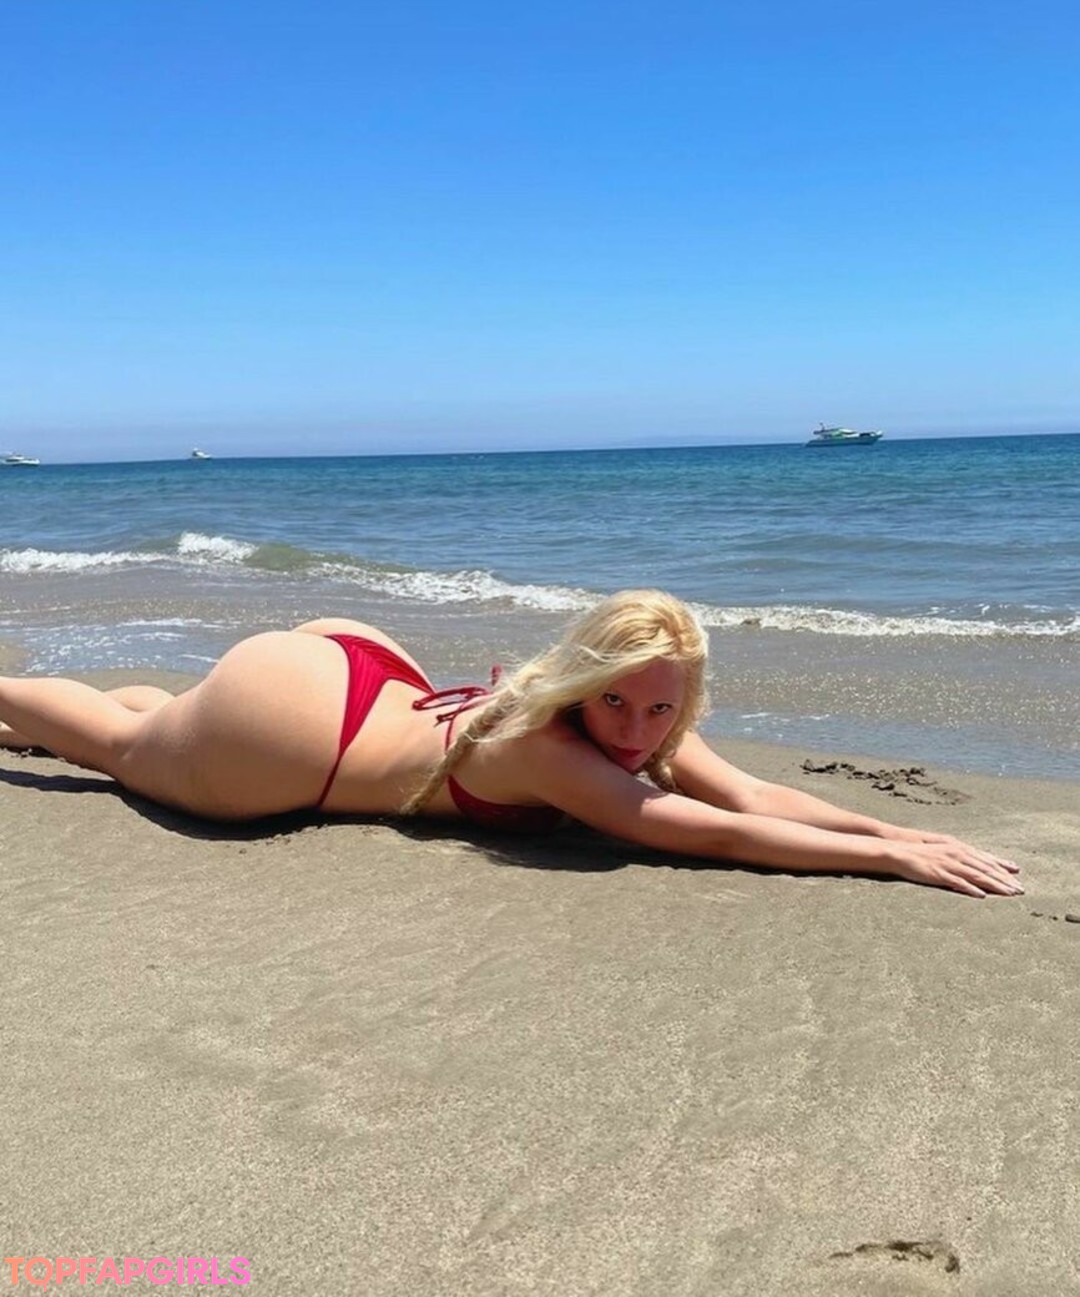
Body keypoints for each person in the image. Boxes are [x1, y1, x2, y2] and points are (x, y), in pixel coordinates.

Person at [0, 589, 1021, 899]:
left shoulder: (638, 718)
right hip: (296, 742)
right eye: (615, 704)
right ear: (582, 682)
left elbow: (749, 797)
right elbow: (707, 834)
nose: (636, 731)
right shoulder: (550, 749)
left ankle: (42, 717)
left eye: (659, 711)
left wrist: (891, 829)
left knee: (144, 721)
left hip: (365, 670)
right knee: (116, 744)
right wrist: (886, 861)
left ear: (684, 697)